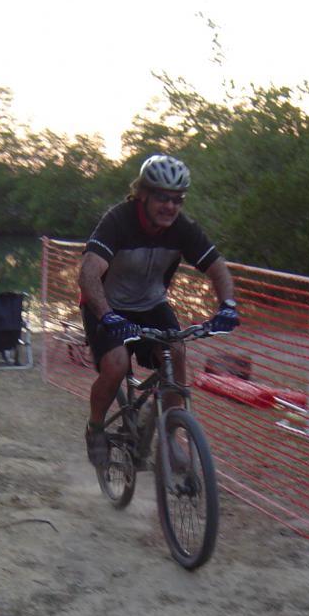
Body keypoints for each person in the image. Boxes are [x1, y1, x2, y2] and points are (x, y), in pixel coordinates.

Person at [78, 153, 240, 466]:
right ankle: (96, 427)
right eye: (163, 198)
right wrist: (108, 316)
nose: (170, 207)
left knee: (176, 352)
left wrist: (228, 306)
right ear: (143, 194)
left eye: (178, 199)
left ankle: (169, 437)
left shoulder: (182, 228)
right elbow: (88, 274)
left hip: (150, 303)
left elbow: (217, 268)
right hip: (106, 304)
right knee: (116, 363)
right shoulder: (118, 221)